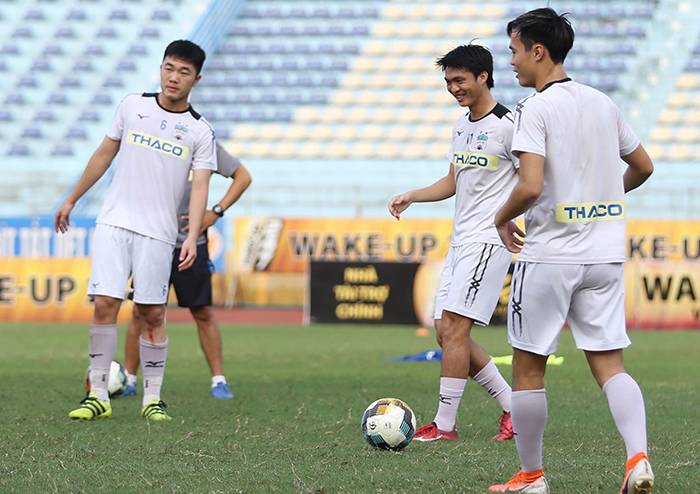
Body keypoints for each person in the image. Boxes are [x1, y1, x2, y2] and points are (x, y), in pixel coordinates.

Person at [488, 8, 655, 494]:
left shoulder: (534, 109)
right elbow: (643, 166)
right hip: (604, 254)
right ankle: (637, 458)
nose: (513, 63)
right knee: (610, 364)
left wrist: (501, 217)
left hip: (551, 257)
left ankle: (531, 477)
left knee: (527, 364)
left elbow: (530, 185)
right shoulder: (603, 102)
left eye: (515, 51)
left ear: (538, 51)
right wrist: (600, 203)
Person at [55, 40, 216, 421]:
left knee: (152, 313)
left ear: (197, 79)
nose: (173, 77)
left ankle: (151, 400)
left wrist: (191, 236)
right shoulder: (132, 105)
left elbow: (202, 187)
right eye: (169, 68)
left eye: (183, 72)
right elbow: (103, 153)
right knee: (106, 305)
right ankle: (98, 396)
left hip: (159, 234)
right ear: (161, 68)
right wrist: (71, 198)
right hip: (113, 222)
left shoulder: (199, 130)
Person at [388, 44, 518, 443]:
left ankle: (444, 426)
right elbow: (453, 181)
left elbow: (537, 180)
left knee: (456, 330)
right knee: (446, 331)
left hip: (489, 242)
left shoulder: (510, 126)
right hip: (460, 242)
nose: (453, 88)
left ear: (483, 77)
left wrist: (511, 216)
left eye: (459, 80)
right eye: (448, 82)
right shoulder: (462, 126)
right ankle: (514, 407)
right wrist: (413, 194)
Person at [123, 142, 251, 400]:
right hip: (152, 241)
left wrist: (215, 212)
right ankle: (128, 380)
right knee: (140, 311)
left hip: (192, 243)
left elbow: (243, 177)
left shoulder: (203, 142)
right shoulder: (152, 140)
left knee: (203, 312)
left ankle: (218, 381)